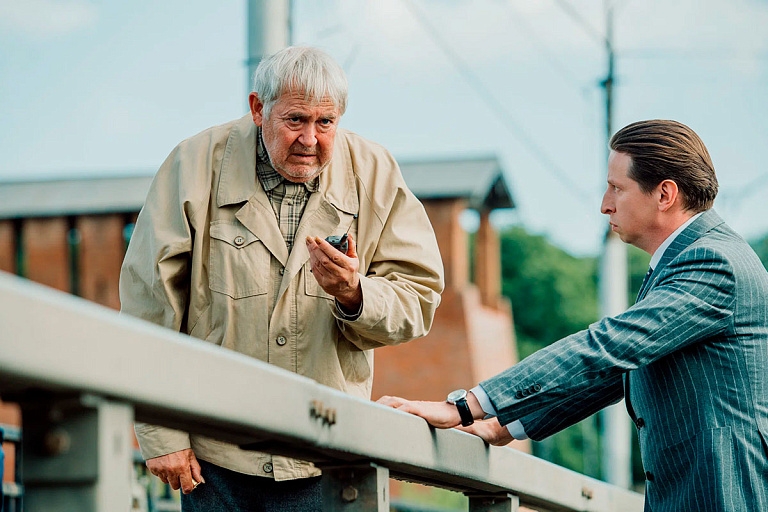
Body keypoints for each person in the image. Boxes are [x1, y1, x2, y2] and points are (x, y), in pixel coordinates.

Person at [379, 120, 768, 512]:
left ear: (665, 194)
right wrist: (505, 424)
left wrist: (464, 406)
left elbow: (609, 347)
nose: (605, 204)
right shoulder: (688, 261)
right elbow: (618, 372)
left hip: (725, 493)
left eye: (617, 188)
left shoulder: (713, 262)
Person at [120, 46, 444, 511]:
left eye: (325, 122)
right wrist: (160, 431)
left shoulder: (376, 173)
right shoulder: (192, 164)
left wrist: (355, 295)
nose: (310, 139)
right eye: (295, 120)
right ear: (258, 109)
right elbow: (147, 305)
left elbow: (420, 296)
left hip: (327, 456)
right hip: (214, 457)